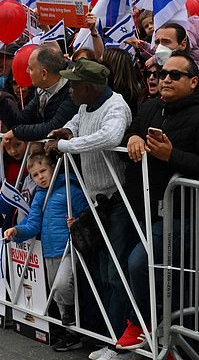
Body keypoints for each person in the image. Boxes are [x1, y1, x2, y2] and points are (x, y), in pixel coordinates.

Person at [120, 51, 199, 351]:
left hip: (190, 215)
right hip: (150, 210)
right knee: (171, 282)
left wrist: (172, 157)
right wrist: (133, 138)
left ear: (194, 81)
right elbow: (135, 129)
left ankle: (141, 323)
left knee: (141, 263)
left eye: (174, 75)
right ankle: (172, 341)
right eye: (162, 73)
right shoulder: (152, 106)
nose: (164, 79)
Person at [44, 58, 133, 352]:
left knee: (115, 272)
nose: (69, 90)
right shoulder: (85, 107)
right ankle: (103, 333)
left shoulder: (116, 106)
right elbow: (75, 124)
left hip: (118, 201)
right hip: (96, 202)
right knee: (97, 271)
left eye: (74, 85)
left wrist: (67, 146)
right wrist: (65, 133)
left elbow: (110, 136)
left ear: (89, 87)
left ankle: (119, 340)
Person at [3, 151, 88, 352]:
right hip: (50, 251)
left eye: (44, 171)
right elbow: (33, 223)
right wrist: (16, 231)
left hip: (69, 247)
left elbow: (86, 211)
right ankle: (71, 334)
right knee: (56, 294)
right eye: (35, 175)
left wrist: (78, 223)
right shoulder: (39, 195)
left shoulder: (70, 188)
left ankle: (74, 319)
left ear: (53, 168)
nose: (41, 177)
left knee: (61, 285)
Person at [0, 45, 78, 144]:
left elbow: (54, 127)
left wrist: (17, 132)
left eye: (30, 68)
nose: (27, 71)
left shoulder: (75, 89)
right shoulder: (41, 91)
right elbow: (19, 121)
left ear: (44, 74)